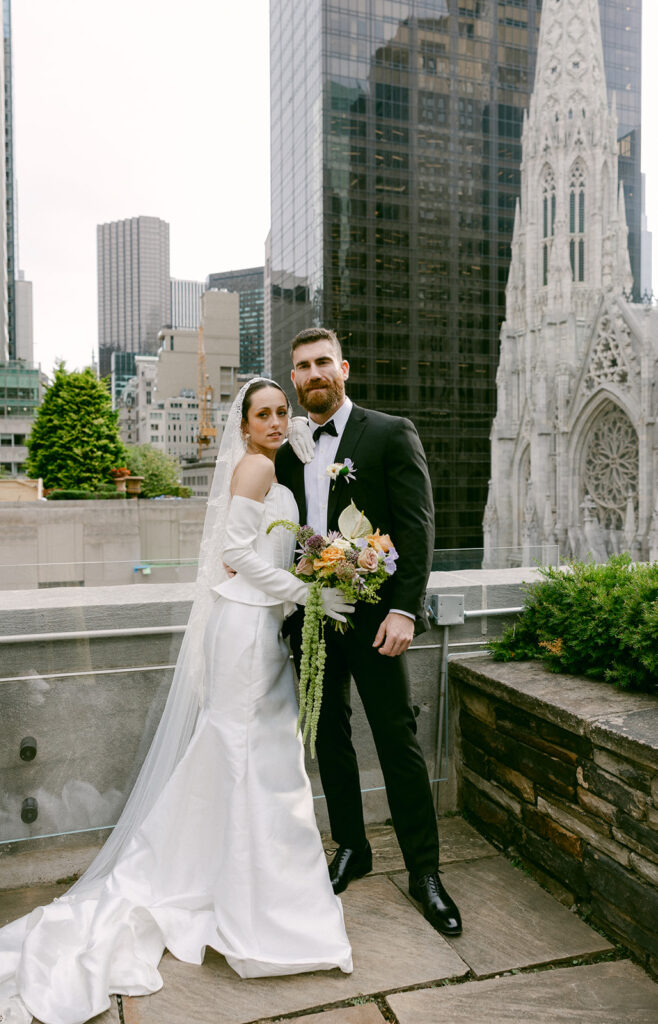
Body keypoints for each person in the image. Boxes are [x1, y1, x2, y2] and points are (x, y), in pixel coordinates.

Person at [0, 378, 353, 1024]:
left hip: (257, 629)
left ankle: (241, 884)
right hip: (247, 630)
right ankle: (255, 906)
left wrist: (321, 572)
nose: (273, 420)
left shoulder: (271, 471)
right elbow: (234, 553)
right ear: (244, 425)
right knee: (246, 755)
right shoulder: (259, 468)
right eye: (262, 413)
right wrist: (302, 591)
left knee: (253, 755)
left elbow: (249, 553)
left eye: (279, 412)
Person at [276, 327, 462, 938]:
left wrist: (405, 610)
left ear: (344, 368)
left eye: (322, 362)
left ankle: (426, 873)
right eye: (301, 367)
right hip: (314, 619)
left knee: (397, 741)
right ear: (295, 378)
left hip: (379, 620)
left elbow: (417, 527)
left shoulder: (387, 432)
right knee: (329, 738)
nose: (312, 374)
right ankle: (352, 846)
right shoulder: (288, 450)